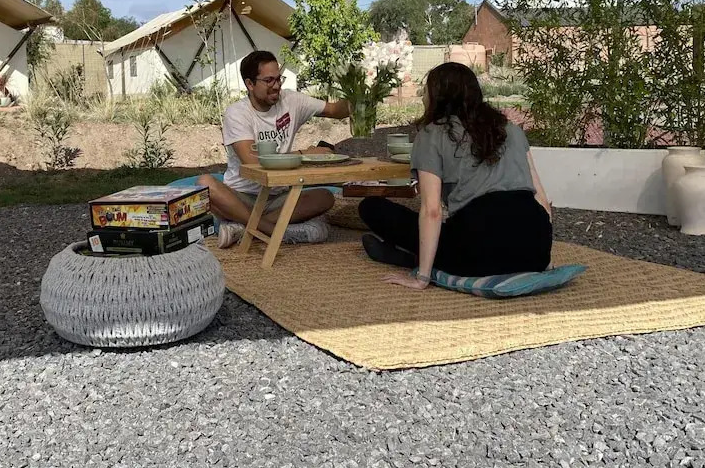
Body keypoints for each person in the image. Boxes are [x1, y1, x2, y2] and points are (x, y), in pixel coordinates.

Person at [360, 61, 553, 290]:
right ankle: (416, 255)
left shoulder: (432, 133)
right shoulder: (510, 129)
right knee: (463, 231)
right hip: (535, 252)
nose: (423, 97)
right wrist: (545, 258)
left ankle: (414, 259)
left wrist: (422, 278)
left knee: (372, 207)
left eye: (426, 91)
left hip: (477, 253)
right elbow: (542, 200)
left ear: (437, 96)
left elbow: (432, 210)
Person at [200, 50, 350, 248]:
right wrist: (304, 155)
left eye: (279, 79)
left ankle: (245, 228)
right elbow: (254, 162)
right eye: (269, 80)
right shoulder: (237, 113)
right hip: (241, 197)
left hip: (278, 197)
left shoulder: (291, 101)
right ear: (250, 84)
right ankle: (276, 231)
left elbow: (335, 110)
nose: (277, 86)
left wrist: (358, 93)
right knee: (205, 184)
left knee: (325, 197)